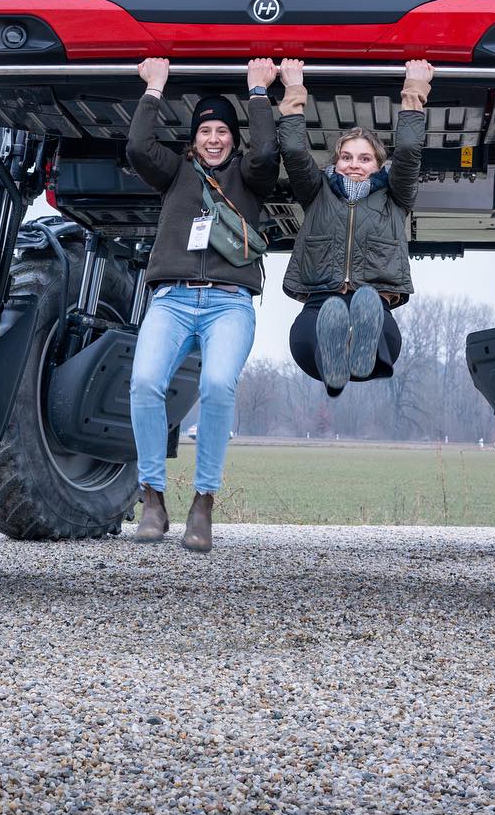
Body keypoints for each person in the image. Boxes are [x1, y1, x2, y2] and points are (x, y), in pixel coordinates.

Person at [126, 57, 280, 552]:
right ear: (193, 138)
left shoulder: (250, 177)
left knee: (217, 387)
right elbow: (138, 147)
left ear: (234, 139)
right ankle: (151, 498)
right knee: (146, 382)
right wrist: (154, 89)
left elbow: (268, 151)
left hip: (229, 303)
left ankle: (203, 504)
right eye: (205, 131)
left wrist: (257, 93)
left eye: (222, 131)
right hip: (170, 300)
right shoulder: (175, 174)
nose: (214, 138)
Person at [276, 58, 432, 396]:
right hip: (320, 300)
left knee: (373, 318)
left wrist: (414, 92)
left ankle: (362, 355)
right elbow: (292, 148)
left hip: (373, 303)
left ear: (378, 165)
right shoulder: (316, 193)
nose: (354, 165)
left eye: (364, 158)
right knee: (306, 336)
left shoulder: (395, 197)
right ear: (335, 162)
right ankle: (332, 367)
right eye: (346, 157)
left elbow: (407, 150)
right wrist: (293, 91)